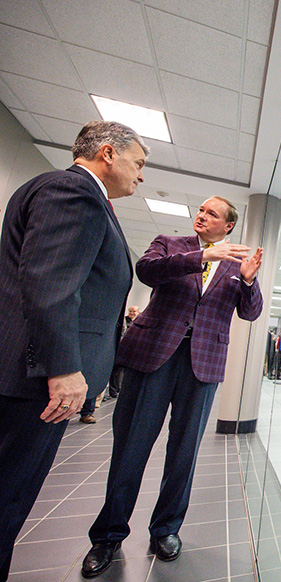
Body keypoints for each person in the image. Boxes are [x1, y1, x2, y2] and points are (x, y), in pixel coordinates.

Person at [82, 196, 263, 578]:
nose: (202, 216)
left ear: (228, 226)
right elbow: (146, 271)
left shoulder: (236, 265)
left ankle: (165, 530)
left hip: (202, 364)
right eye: (200, 210)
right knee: (131, 445)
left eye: (212, 214)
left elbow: (250, 312)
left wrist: (248, 280)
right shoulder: (170, 244)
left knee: (184, 451)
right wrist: (202, 258)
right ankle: (108, 535)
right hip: (153, 355)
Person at [0, 120, 147, 580]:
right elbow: (50, 283)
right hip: (36, 382)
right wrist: (63, 368)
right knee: (7, 497)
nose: (141, 176)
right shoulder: (74, 191)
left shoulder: (64, 191)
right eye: (138, 163)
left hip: (30, 374)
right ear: (108, 153)